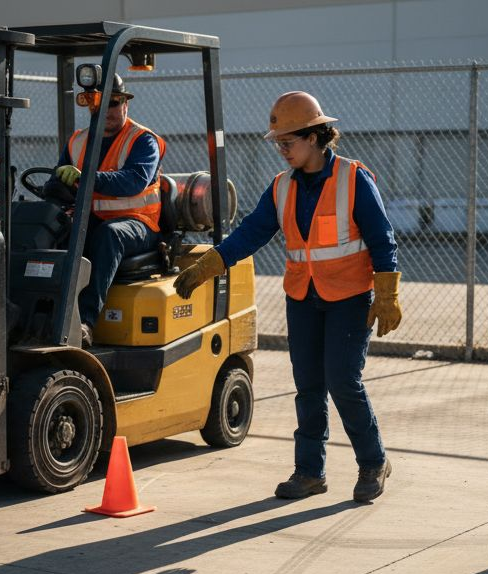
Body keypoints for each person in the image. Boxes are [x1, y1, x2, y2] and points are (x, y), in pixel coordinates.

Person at [175, 91, 402, 503]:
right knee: (308, 385)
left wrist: (386, 294)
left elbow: (382, 239)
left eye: (287, 141)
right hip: (303, 297)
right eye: (277, 142)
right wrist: (210, 264)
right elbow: (251, 233)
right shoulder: (281, 188)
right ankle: (310, 472)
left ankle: (373, 462)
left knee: (343, 382)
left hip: (349, 297)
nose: (281, 149)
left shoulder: (353, 179)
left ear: (314, 137)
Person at [54, 74, 166, 347]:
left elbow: (133, 181)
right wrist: (56, 186)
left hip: (139, 223)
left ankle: (85, 322)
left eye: (114, 103)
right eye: (100, 103)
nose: (107, 110)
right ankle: (41, 312)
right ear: (91, 105)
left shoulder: (143, 140)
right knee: (52, 228)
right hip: (91, 218)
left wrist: (85, 177)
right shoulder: (78, 141)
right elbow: (59, 179)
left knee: (109, 234)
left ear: (125, 104)